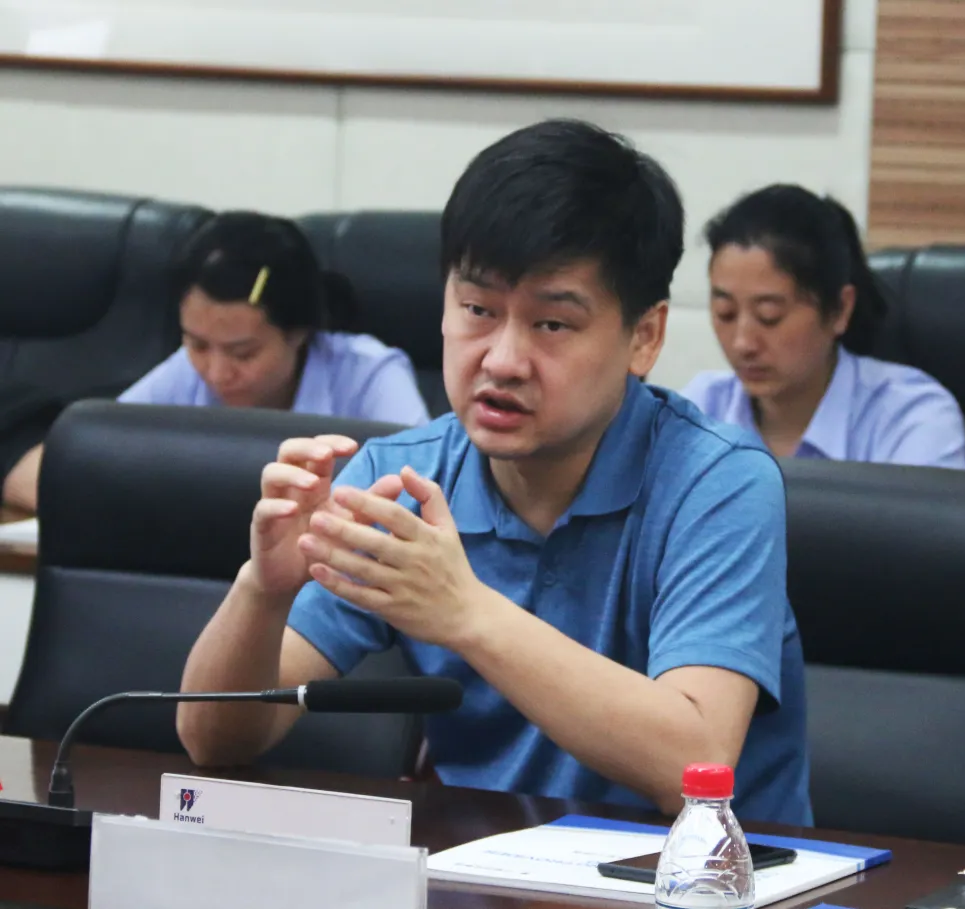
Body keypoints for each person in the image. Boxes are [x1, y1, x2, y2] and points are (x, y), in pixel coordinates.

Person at [177, 119, 811, 826]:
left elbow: (694, 765)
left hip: (703, 874)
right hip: (484, 869)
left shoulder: (717, 482)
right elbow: (212, 741)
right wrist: (263, 593)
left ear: (645, 336)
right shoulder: (401, 478)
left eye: (552, 325)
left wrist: (466, 612)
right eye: (478, 310)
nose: (502, 360)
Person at [2, 212, 430, 512]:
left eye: (244, 353)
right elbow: (95, 461)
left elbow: (423, 486)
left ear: (299, 333)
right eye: (198, 344)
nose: (216, 372)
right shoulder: (185, 370)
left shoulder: (369, 373)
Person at [681, 184, 965, 468]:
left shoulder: (908, 417)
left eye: (769, 316)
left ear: (840, 309)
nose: (743, 343)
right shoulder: (700, 409)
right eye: (726, 313)